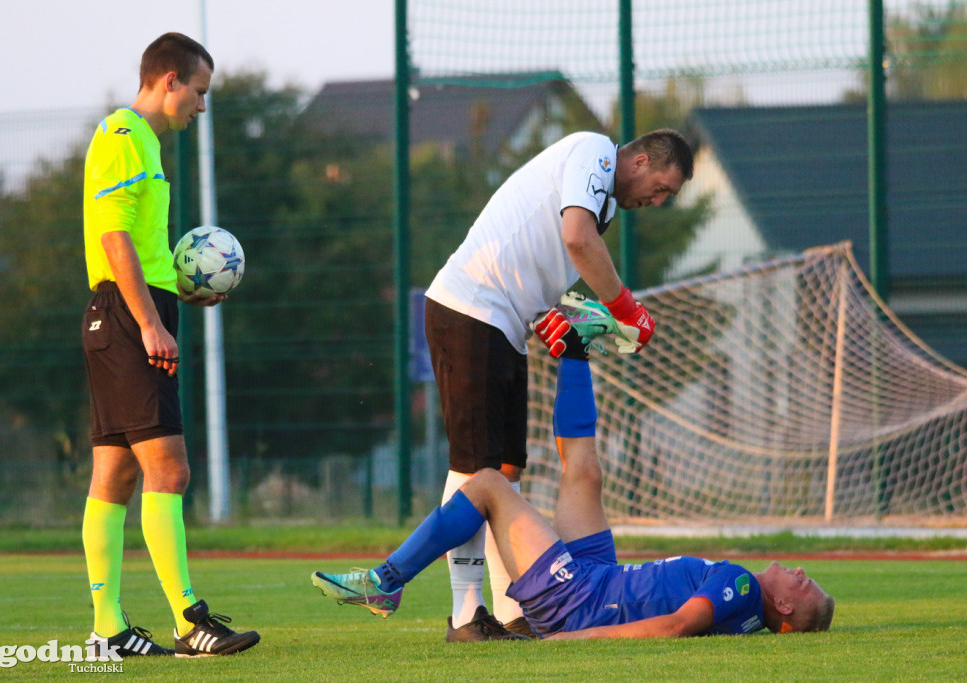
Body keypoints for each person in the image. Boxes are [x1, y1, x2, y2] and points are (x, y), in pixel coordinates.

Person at [312, 323, 835, 639]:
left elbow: (672, 628)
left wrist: (577, 638)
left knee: (490, 483)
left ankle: (387, 581)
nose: (799, 570)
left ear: (784, 607)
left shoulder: (742, 586)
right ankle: (576, 344)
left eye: (802, 583)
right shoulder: (742, 611)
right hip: (600, 577)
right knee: (585, 474)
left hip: (582, 601)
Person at [423, 128, 693, 640]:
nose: (657, 202)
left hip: (505, 320)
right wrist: (625, 309)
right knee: (475, 468)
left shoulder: (603, 203)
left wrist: (560, 312)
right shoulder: (593, 149)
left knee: (505, 471)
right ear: (637, 160)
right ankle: (464, 613)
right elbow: (575, 239)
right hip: (471, 307)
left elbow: (548, 250)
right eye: (661, 188)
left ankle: (508, 611)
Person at [80, 32, 259, 658]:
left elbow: (137, 245)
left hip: (127, 312)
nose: (201, 107)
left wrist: (175, 296)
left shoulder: (143, 143)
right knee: (170, 469)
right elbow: (113, 240)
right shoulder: (125, 136)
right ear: (170, 81)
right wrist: (151, 323)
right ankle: (189, 621)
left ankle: (109, 632)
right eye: (200, 93)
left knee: (116, 473)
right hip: (129, 317)